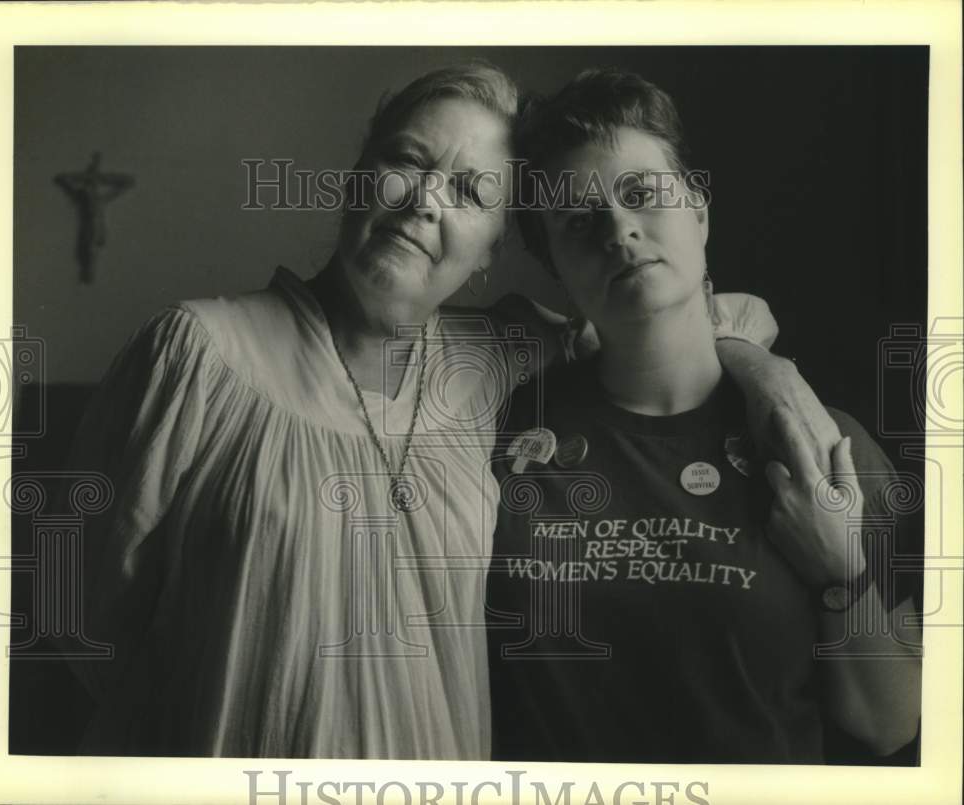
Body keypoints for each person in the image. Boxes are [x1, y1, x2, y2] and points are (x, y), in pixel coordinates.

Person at [56, 62, 842, 759]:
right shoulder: (195, 351)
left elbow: (670, 315)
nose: (425, 202)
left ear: (488, 254)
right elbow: (89, 630)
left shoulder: (501, 355)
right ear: (357, 178)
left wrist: (765, 375)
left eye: (470, 193)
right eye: (406, 161)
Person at [486, 68, 922, 764]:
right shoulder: (503, 432)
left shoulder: (822, 442)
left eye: (642, 195)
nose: (618, 229)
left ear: (699, 213)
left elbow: (890, 722)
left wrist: (842, 573)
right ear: (555, 269)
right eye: (576, 218)